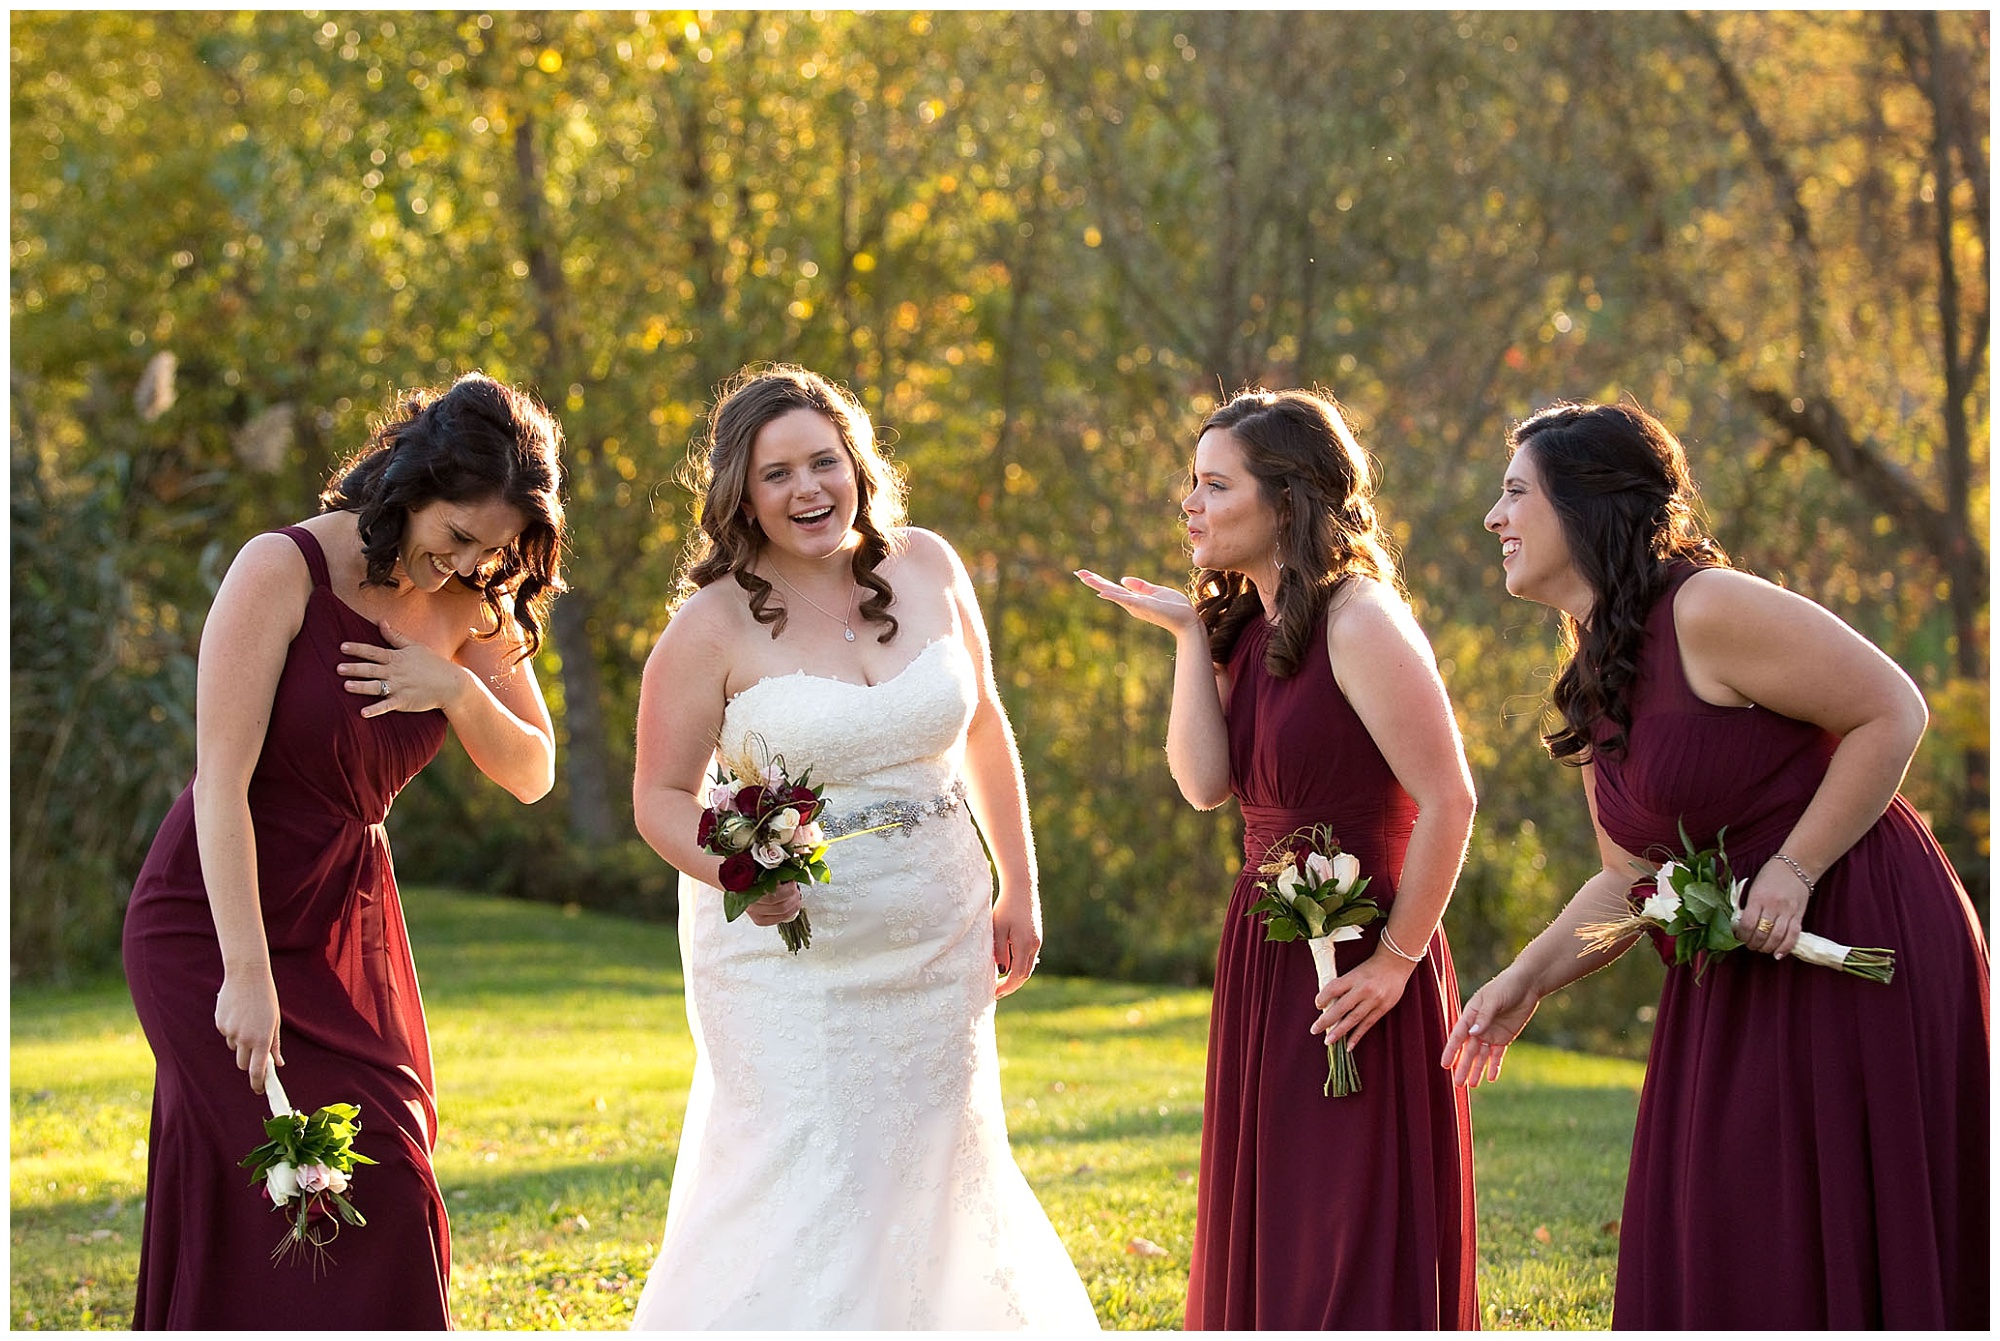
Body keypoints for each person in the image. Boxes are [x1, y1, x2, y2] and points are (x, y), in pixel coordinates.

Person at [1442, 400, 1989, 1328]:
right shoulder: (1594, 671)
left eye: (1515, 494)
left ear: (1587, 505)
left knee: (1849, 1228)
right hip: (1734, 973)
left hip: (1858, 928)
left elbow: (1894, 709)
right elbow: (1628, 881)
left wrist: (1797, 867)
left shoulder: (1704, 605)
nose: (1495, 519)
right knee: (1738, 1232)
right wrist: (1525, 978)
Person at [628, 364, 1099, 1329]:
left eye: (824, 462)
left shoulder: (928, 565)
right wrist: (738, 870)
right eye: (777, 474)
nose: (809, 490)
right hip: (789, 956)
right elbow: (659, 795)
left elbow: (985, 726)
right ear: (740, 495)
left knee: (937, 1158)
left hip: (939, 931)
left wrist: (1021, 886)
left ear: (858, 464)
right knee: (804, 1165)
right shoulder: (707, 626)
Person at [122, 373, 567, 1328]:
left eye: (492, 549)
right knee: (271, 1188)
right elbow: (221, 786)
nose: (466, 564)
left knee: (389, 1181)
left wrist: (451, 688)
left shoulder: (470, 610)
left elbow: (534, 771)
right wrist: (244, 973)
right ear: (411, 485)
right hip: (210, 921)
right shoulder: (280, 570)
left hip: (342, 917)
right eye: (455, 536)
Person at [1077, 387, 1479, 1329]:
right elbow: (1205, 783)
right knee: (1279, 1203)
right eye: (1191, 482)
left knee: (1346, 1212)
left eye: (1214, 484)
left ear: (1287, 499)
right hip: (1268, 954)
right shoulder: (1251, 627)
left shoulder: (1360, 618)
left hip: (1365, 953)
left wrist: (1396, 960)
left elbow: (1450, 799)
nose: (1191, 503)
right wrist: (1186, 635)